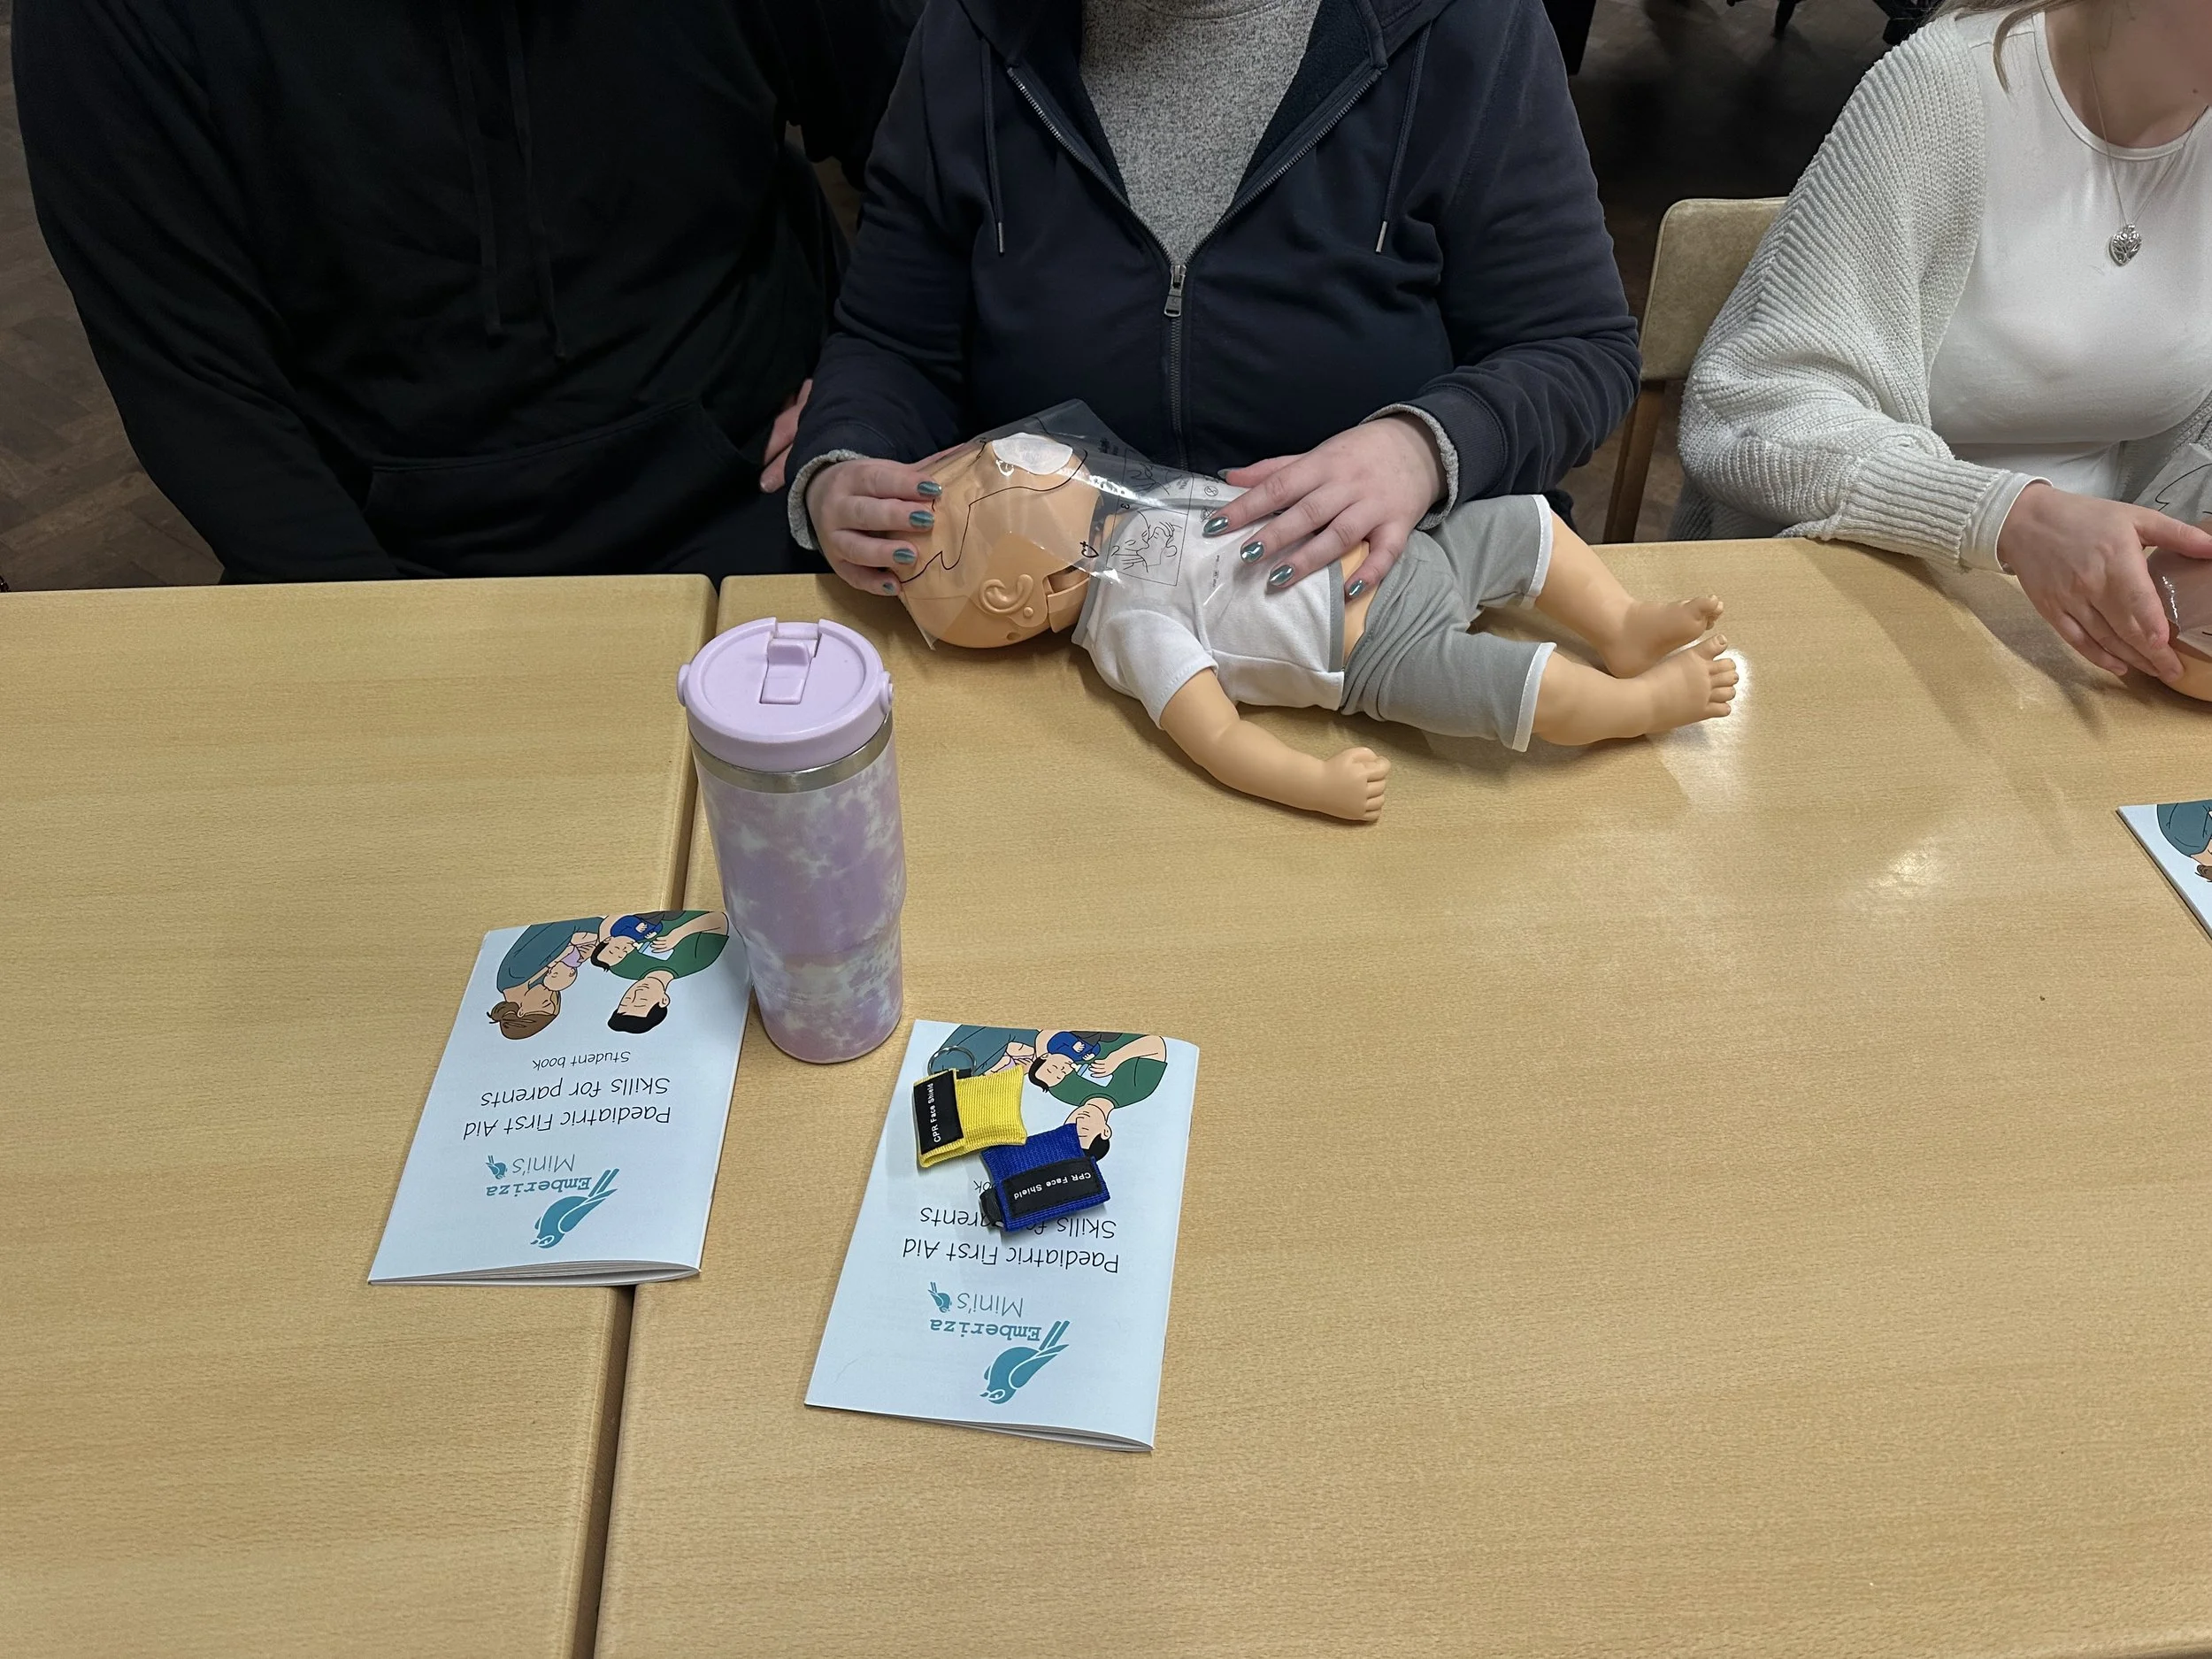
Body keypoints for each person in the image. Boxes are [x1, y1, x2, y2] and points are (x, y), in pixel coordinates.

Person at [14, 0, 918, 582]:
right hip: (387, 563)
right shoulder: (111, 24)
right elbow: (198, 397)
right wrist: (400, 651)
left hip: (777, 507)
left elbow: (929, 163)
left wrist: (867, 385)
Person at [789, 0, 1638, 607]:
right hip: (1050, 614)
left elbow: (1578, 347)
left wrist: (1424, 447)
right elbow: (892, 343)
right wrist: (844, 464)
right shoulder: (970, 32)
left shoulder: (1466, 27)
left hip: (1382, 611)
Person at [1678, 0, 2212, 685]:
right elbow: (1756, 411)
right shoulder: (1943, 92)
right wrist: (2008, 516)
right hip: (1854, 603)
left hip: (2095, 650)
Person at [487, 918, 603, 1041]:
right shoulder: (539, 982)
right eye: (556, 998)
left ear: (521, 1011)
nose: (552, 993)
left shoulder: (516, 973)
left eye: (546, 1003)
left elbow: (568, 926)